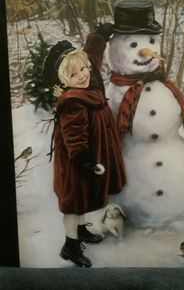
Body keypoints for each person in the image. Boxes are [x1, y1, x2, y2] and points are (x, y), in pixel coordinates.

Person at [42, 28, 126, 268]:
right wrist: (85, 161)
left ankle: (80, 231)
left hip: (86, 159)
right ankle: (70, 245)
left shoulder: (89, 86)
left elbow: (92, 54)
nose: (81, 75)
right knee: (73, 203)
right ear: (64, 80)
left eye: (83, 69)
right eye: (73, 74)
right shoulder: (74, 102)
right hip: (76, 161)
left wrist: (99, 35)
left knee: (83, 199)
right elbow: (73, 137)